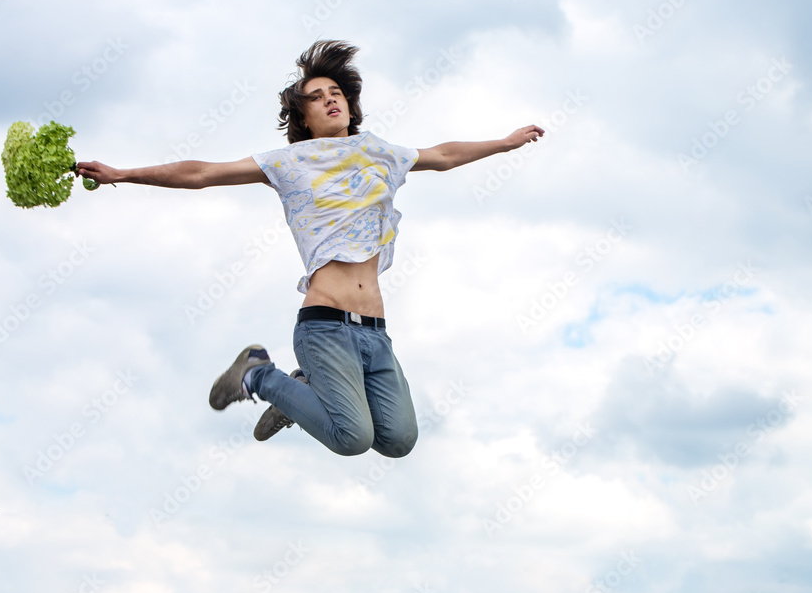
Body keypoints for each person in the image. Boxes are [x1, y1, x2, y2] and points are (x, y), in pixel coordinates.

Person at [77, 40, 544, 458]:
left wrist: (504, 144)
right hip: (324, 324)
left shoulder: (381, 152)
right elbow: (201, 173)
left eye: (335, 93)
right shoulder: (288, 162)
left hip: (375, 331)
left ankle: (303, 388)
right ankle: (259, 374)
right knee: (352, 438)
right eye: (317, 98)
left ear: (350, 104)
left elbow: (443, 156)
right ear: (304, 118)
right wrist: (122, 173)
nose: (330, 100)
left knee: (399, 441)